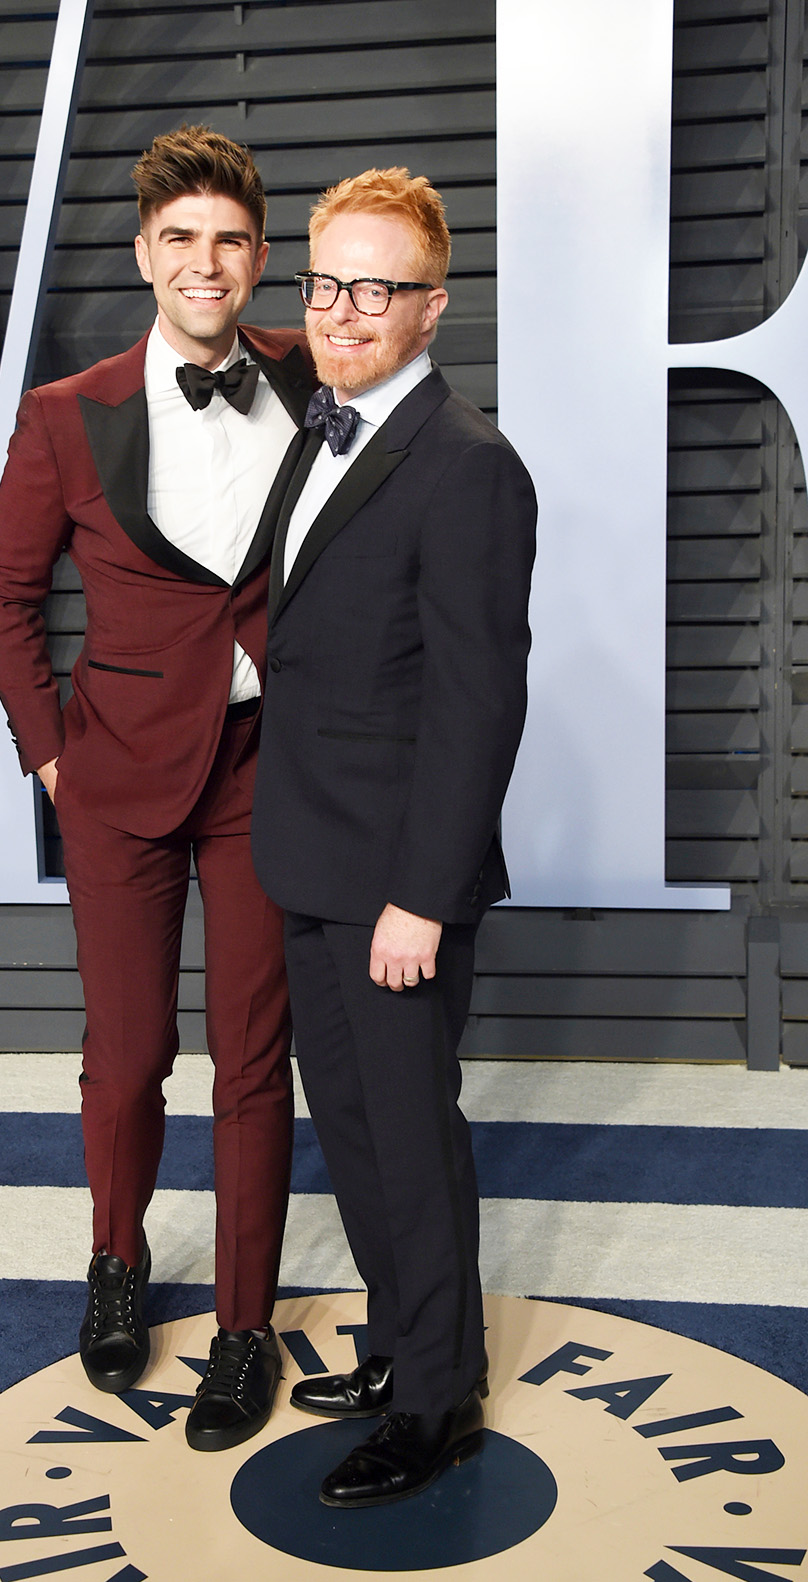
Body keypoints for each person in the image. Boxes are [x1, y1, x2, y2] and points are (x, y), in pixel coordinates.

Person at [0, 125, 315, 1453]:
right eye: (182, 240)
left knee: (253, 1057)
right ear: (144, 255)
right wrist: (48, 754)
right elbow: (3, 593)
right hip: (114, 772)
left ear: (259, 257)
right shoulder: (69, 414)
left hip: (265, 771)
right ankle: (117, 1263)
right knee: (126, 1056)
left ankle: (243, 1325)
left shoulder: (311, 383)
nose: (206, 262)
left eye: (229, 239)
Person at [251, 168, 537, 1506]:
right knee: (353, 1126)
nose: (344, 311)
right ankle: (402, 1337)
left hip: (397, 886)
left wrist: (423, 895)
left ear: (433, 306)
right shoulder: (325, 429)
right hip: (310, 853)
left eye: (378, 288)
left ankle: (437, 1402)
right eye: (323, 284)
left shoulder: (469, 466)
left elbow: (481, 701)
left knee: (410, 1136)